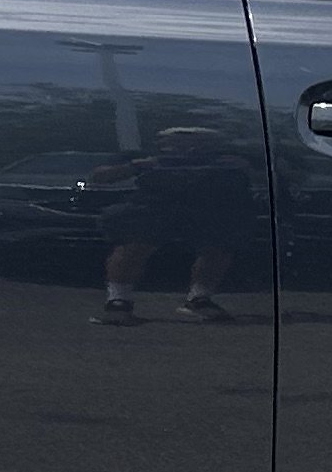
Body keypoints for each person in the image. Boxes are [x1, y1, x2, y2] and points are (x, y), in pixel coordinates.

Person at [94, 121, 254, 322]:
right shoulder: (141, 156)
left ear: (214, 144)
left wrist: (244, 167)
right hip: (153, 205)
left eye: (199, 142)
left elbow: (283, 175)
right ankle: (118, 300)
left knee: (220, 244)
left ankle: (199, 298)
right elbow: (99, 176)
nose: (188, 148)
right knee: (134, 242)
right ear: (162, 141)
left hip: (211, 207)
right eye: (178, 141)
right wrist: (138, 165)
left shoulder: (232, 158)